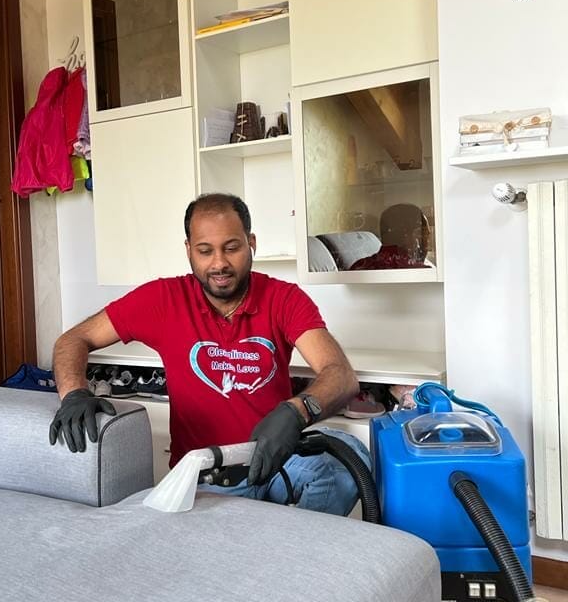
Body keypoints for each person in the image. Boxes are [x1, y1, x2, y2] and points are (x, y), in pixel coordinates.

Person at [49, 193, 369, 514]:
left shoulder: (284, 299)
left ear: (251, 243)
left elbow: (340, 375)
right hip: (208, 478)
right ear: (188, 250)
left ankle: (295, 543)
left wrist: (296, 412)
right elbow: (74, 339)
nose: (219, 263)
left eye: (232, 248)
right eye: (205, 251)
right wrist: (74, 393)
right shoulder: (163, 300)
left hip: (274, 461)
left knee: (348, 460)